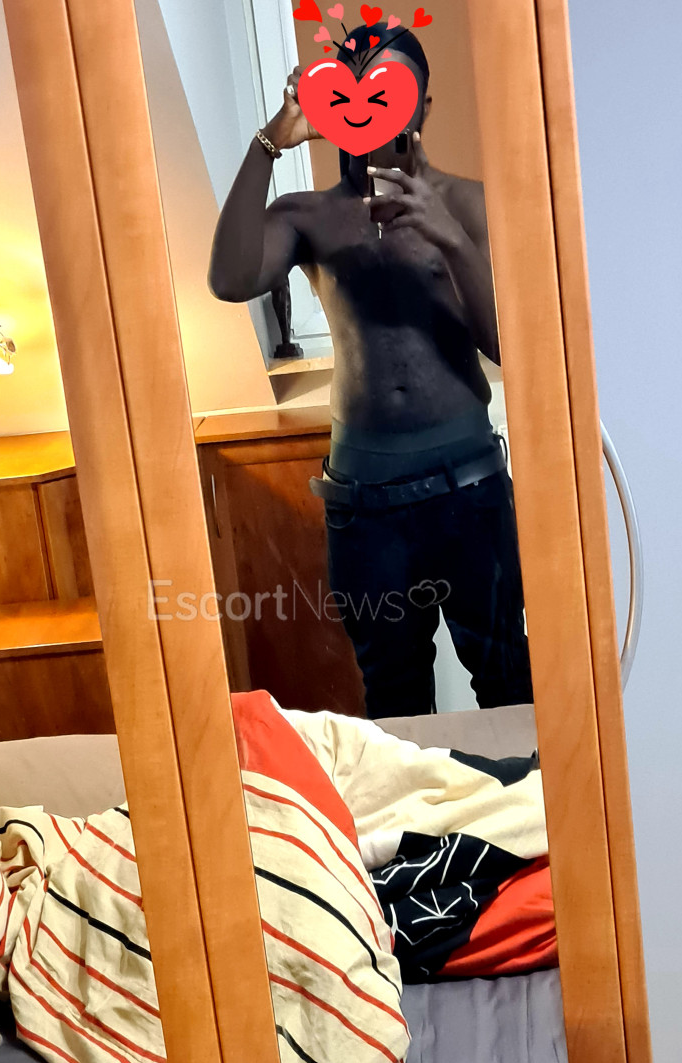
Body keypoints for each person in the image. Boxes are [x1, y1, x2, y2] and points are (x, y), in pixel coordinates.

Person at [209, 22, 532, 718]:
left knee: (509, 679)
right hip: (364, 506)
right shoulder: (307, 217)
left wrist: (447, 236)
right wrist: (270, 141)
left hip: (469, 491)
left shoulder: (468, 203)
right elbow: (230, 278)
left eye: (384, 91)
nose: (366, 108)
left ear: (421, 105)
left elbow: (509, 346)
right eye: (349, 93)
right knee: (394, 699)